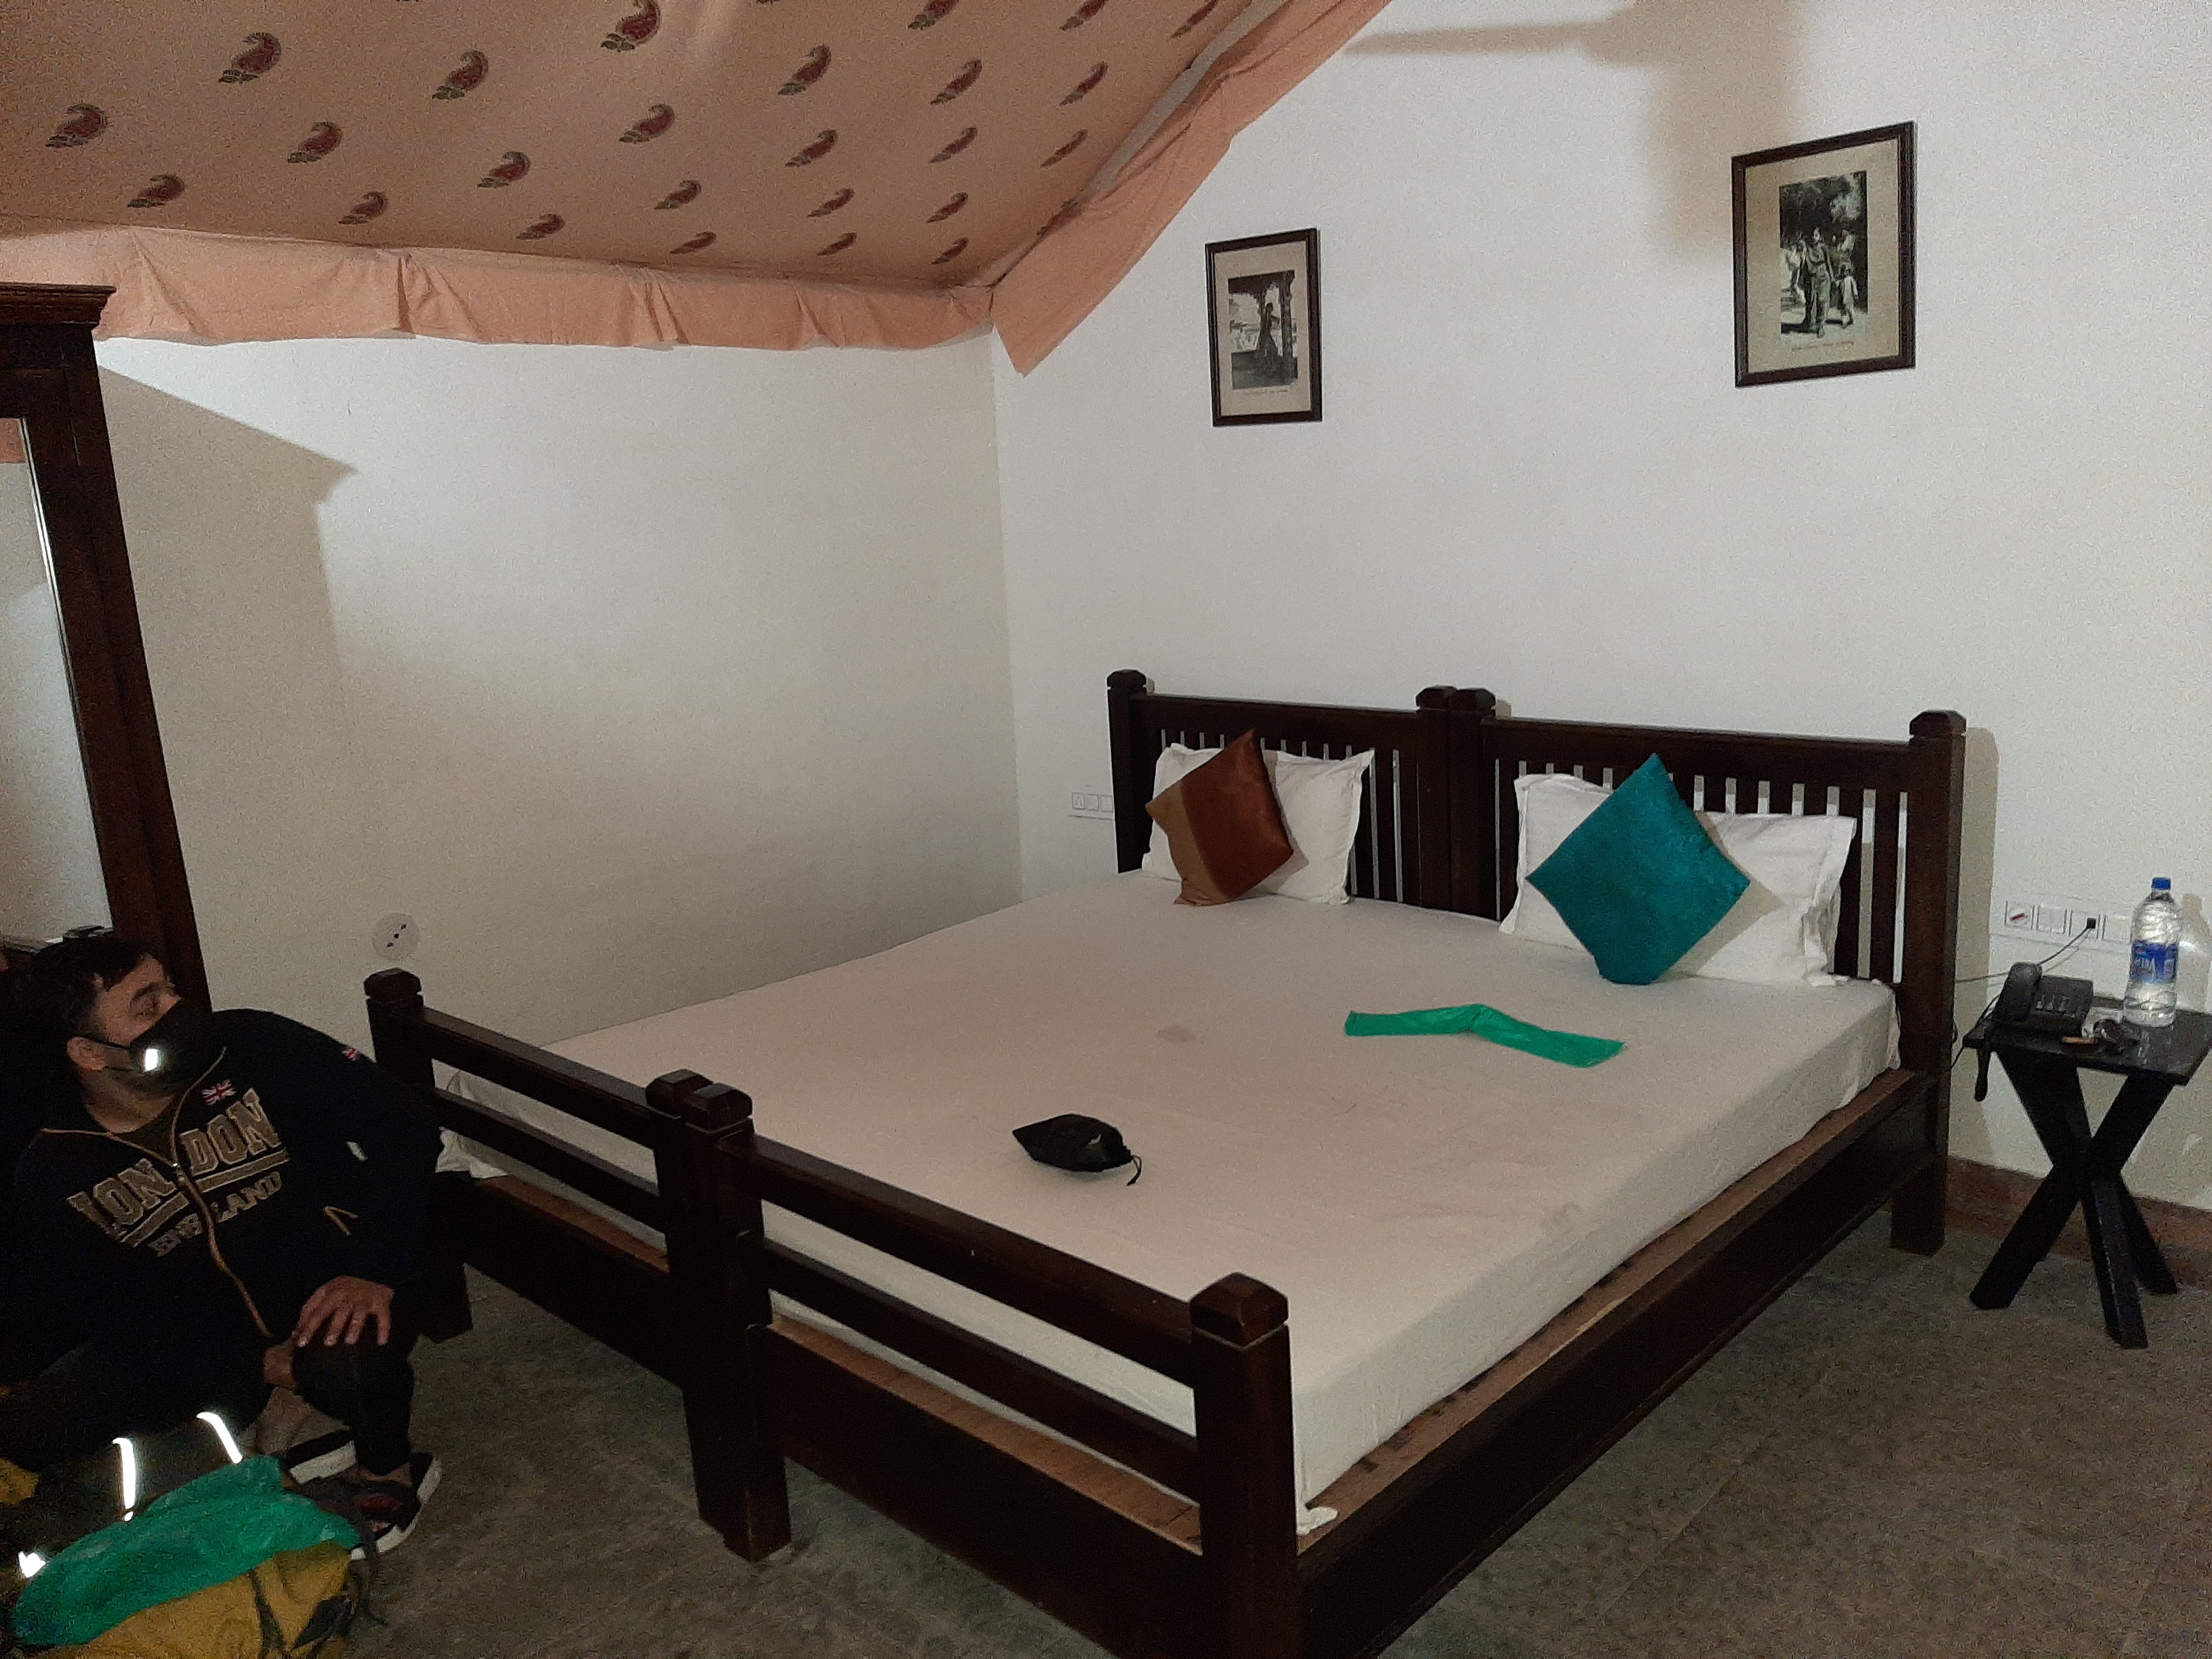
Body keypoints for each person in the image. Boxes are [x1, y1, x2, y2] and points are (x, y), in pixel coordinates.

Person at [0, 933, 444, 1553]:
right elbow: (110, 1310)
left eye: (169, 989)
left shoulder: (253, 1045)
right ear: (88, 1052)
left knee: (349, 1362)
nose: (177, 1010)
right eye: (147, 1006)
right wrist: (247, 1362)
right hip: (209, 1329)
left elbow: (407, 1128)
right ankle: (280, 1406)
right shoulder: (54, 1165)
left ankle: (389, 1469)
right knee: (31, 1426)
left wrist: (373, 1267)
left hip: (336, 1281)